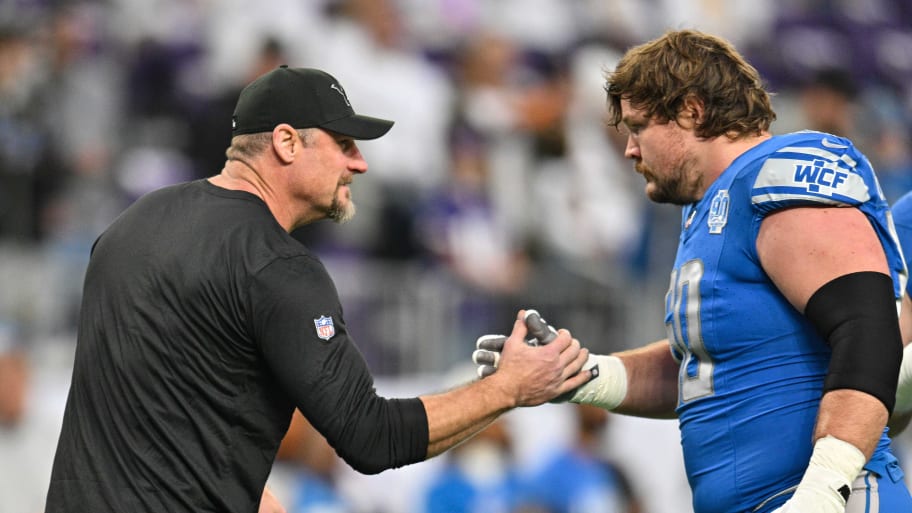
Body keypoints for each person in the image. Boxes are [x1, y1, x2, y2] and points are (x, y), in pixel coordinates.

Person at [43, 65, 592, 513]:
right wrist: (508, 388)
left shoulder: (132, 224)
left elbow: (158, 412)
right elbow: (371, 437)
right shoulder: (276, 265)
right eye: (345, 143)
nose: (360, 162)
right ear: (285, 142)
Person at [474, 30, 912, 513]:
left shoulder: (778, 176)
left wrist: (823, 490)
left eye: (638, 127)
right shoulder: (707, 208)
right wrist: (582, 375)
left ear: (691, 111)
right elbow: (704, 364)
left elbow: (869, 332)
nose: (630, 150)